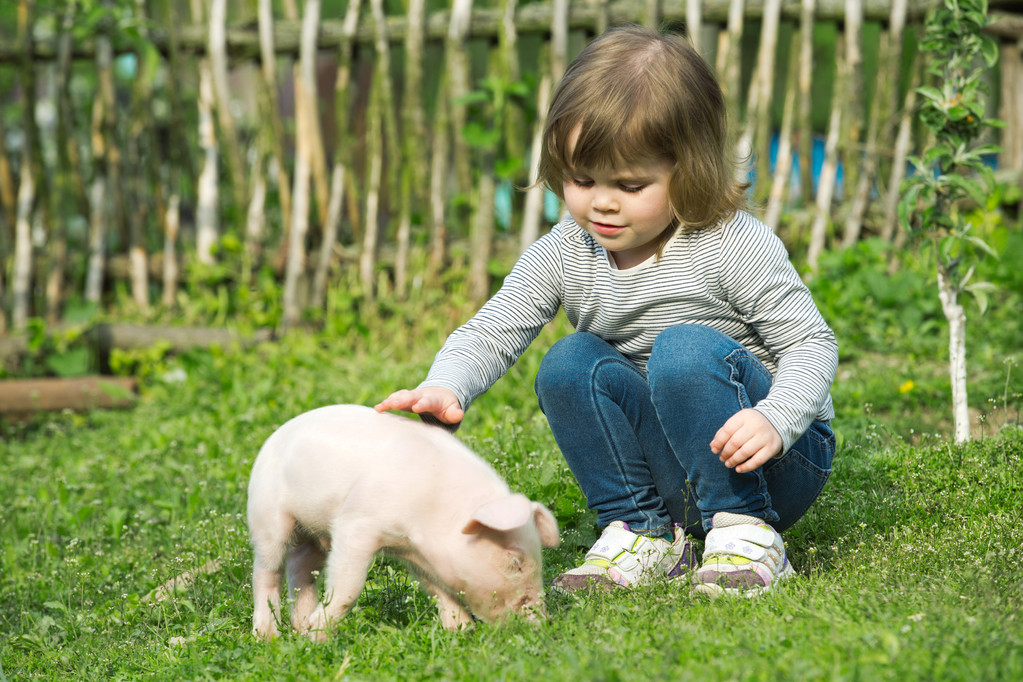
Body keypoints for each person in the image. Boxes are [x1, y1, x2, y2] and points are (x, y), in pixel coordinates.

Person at [376, 25, 837, 598]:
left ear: (688, 168)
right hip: (675, 464)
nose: (602, 201)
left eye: (630, 183)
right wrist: (447, 385)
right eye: (581, 178)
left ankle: (744, 531)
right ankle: (640, 532)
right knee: (570, 362)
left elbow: (811, 344)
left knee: (682, 349)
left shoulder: (731, 244)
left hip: (772, 458)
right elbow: (497, 325)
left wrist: (777, 417)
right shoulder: (569, 249)